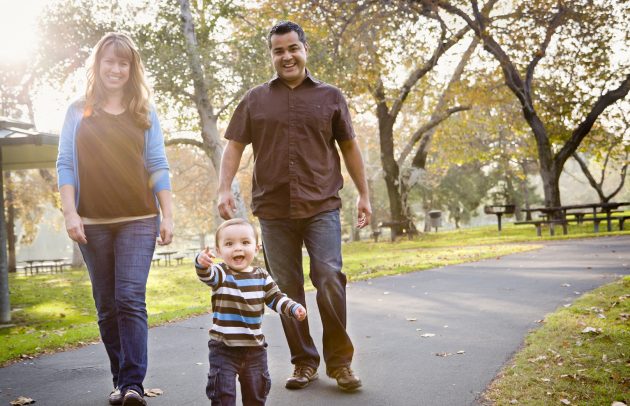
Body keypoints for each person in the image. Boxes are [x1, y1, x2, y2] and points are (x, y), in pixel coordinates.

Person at [217, 21, 371, 392]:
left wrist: (364, 194)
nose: (286, 56)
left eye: (292, 48)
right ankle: (303, 362)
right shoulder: (255, 99)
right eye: (278, 50)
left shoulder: (331, 96)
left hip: (321, 205)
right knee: (286, 290)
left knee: (329, 279)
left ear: (304, 50)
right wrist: (224, 188)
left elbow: (349, 147)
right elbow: (234, 145)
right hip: (273, 211)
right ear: (271, 54)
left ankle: (341, 363)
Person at [56, 32, 173, 406]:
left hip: (139, 217)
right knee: (107, 304)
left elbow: (157, 165)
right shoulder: (77, 111)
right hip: (91, 221)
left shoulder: (144, 112)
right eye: (110, 61)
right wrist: (70, 212)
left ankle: (134, 385)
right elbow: (65, 165)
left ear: (132, 69)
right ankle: (120, 380)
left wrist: (167, 213)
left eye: (124, 63)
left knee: (129, 298)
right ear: (98, 64)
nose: (116, 69)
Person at [195, 218, 307, 405]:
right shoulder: (222, 273)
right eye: (229, 244)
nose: (238, 248)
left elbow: (275, 298)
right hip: (224, 349)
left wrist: (293, 307)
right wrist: (201, 263)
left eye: (245, 242)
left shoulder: (262, 276)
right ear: (219, 251)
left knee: (256, 395)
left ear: (256, 248)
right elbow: (207, 275)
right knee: (223, 396)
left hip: (254, 349)